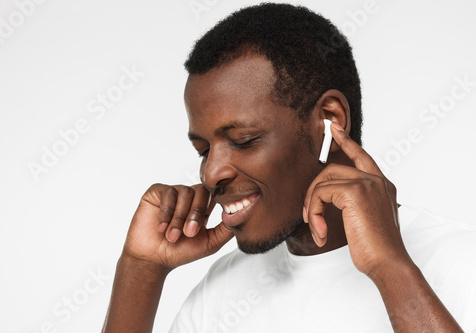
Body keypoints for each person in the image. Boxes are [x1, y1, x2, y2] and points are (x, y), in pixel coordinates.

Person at [102, 3, 476, 332]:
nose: (210, 173)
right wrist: (141, 269)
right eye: (203, 149)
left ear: (329, 121)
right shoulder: (221, 294)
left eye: (243, 140)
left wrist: (389, 268)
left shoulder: (462, 264)